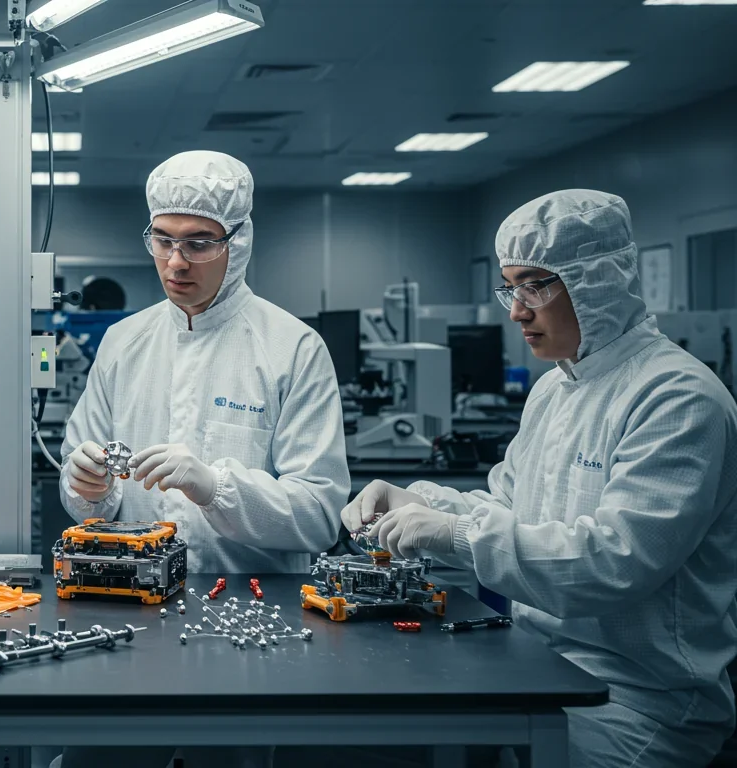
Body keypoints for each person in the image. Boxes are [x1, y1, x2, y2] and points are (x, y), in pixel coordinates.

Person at [343, 190, 737, 768]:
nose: (516, 310)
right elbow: (508, 507)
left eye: (536, 285)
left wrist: (450, 535)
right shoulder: (557, 387)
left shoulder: (677, 398)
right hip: (542, 664)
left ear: (598, 280)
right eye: (511, 288)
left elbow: (614, 562)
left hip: (639, 701)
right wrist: (416, 500)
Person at [55, 151, 349, 768]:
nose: (175, 262)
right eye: (162, 239)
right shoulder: (123, 341)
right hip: (125, 604)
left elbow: (321, 514)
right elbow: (86, 488)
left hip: (252, 612)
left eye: (198, 243)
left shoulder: (291, 347)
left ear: (237, 242)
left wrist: (216, 485)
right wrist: (85, 485)